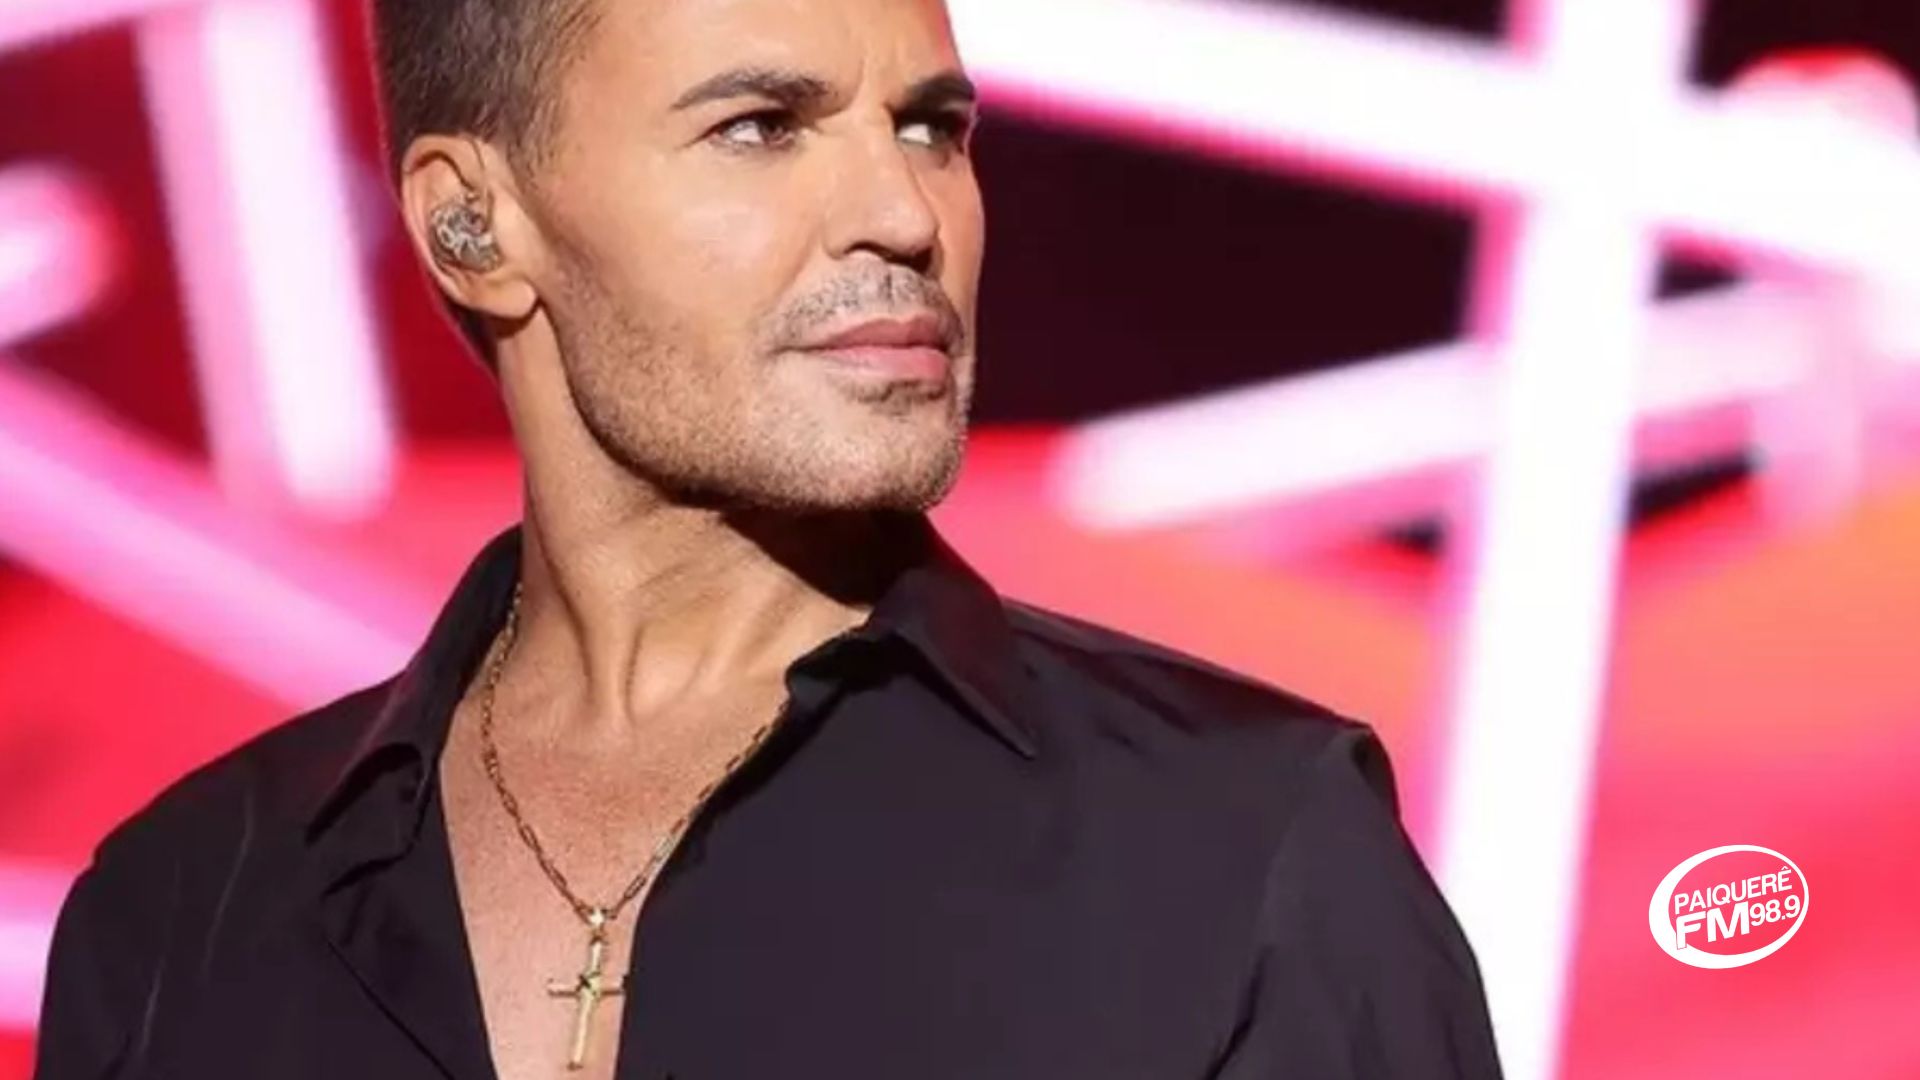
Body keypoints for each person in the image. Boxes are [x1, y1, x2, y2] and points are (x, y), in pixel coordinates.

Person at [34, 0, 1502, 1076]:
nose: (905, 215)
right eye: (761, 127)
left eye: (932, 129)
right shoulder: (183, 916)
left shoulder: (1244, 855)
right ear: (474, 226)